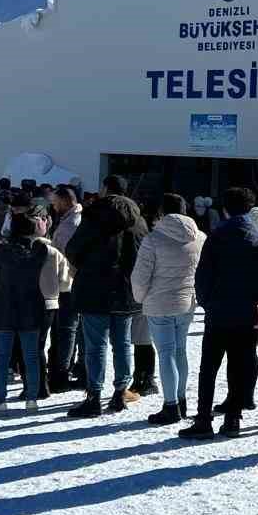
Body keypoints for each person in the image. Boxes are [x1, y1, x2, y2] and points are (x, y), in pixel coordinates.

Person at [181, 187, 258, 439]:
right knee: (239, 365)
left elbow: (203, 274)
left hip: (218, 311)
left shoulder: (217, 235)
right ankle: (233, 419)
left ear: (225, 208)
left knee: (209, 367)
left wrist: (208, 301)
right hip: (245, 312)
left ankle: (203, 419)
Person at [65, 174, 149, 417]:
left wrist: (86, 265)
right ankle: (120, 392)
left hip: (94, 287)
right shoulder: (138, 221)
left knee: (95, 345)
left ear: (105, 189)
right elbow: (143, 255)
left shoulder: (92, 215)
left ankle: (93, 396)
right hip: (125, 288)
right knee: (122, 344)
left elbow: (73, 249)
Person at [0, 212, 70, 414]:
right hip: (34, 307)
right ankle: (32, 399)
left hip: (6, 307)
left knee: (3, 357)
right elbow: (64, 278)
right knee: (31, 355)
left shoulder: (3, 250)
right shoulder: (44, 250)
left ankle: (0, 401)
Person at [131, 193, 205, 426]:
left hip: (159, 303)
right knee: (180, 351)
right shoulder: (200, 237)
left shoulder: (153, 239)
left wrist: (140, 298)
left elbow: (141, 277)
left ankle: (170, 405)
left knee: (166, 354)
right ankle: (181, 401)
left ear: (162, 213)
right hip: (187, 301)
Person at [47, 185, 84, 390]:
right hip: (67, 281)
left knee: (66, 329)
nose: (53, 206)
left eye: (55, 202)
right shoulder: (69, 220)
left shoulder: (71, 224)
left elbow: (65, 256)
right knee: (68, 329)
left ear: (64, 201)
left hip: (67, 283)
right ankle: (66, 367)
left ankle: (61, 372)